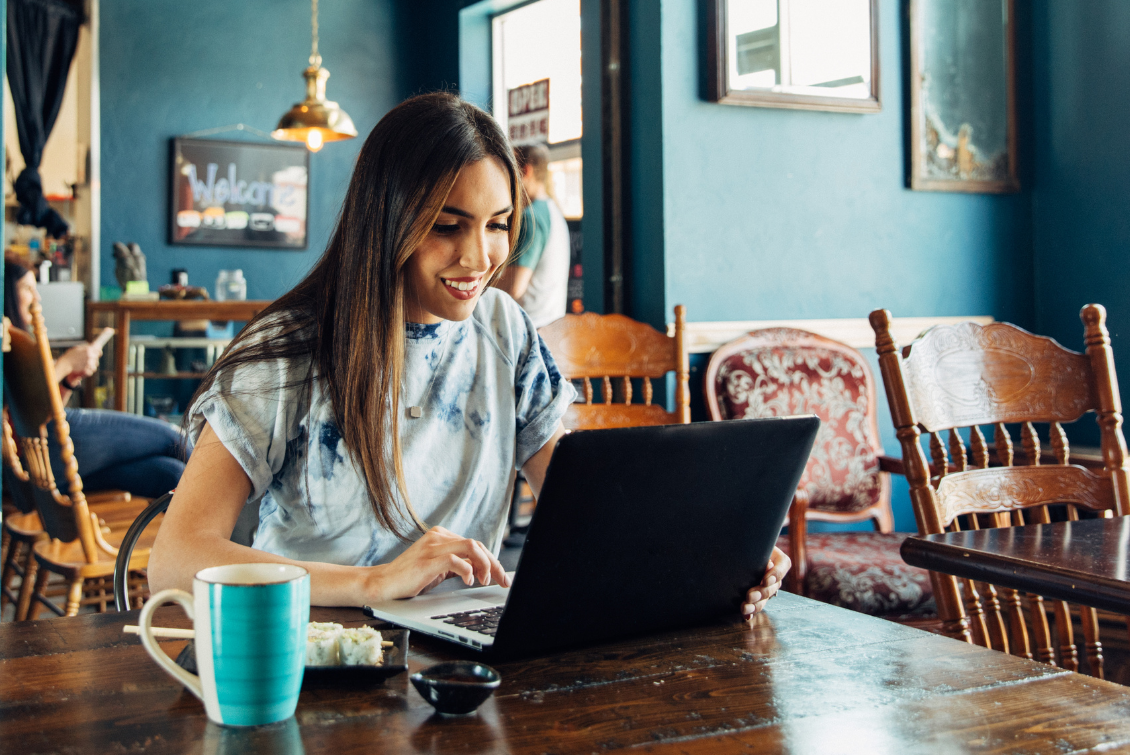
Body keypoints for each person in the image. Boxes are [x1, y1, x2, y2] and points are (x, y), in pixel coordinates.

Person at [147, 92, 789, 621]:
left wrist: (716, 558)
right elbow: (174, 559)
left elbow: (587, 519)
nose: (480, 257)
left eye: (499, 224)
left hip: (464, 654)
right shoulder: (286, 351)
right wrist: (376, 582)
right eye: (448, 226)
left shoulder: (505, 331)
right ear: (387, 220)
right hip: (312, 647)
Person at [3, 257, 189, 498]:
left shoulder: (17, 339)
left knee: (170, 473)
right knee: (174, 438)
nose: (37, 298)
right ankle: (237, 526)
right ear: (5, 293)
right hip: (42, 455)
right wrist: (65, 363)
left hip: (45, 460)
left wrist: (68, 379)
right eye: (28, 289)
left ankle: (199, 533)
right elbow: (22, 406)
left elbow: (44, 408)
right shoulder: (12, 341)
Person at [495, 144, 571, 328]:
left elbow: (514, 287)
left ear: (525, 171)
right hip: (551, 324)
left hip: (532, 326)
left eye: (509, 170)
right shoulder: (553, 211)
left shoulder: (531, 218)